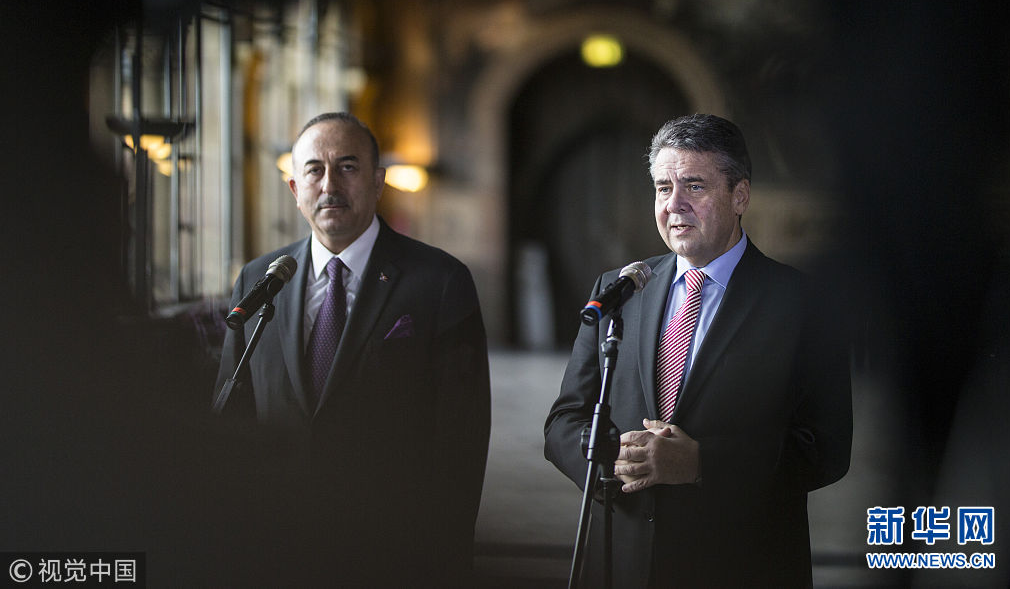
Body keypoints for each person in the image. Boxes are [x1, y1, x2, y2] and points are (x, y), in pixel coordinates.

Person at [544, 114, 852, 588]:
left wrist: (700, 464)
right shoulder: (619, 290)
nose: (675, 204)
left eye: (694, 186)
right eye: (663, 188)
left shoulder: (805, 305)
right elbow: (563, 422)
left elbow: (827, 449)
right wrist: (612, 462)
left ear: (740, 196)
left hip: (742, 565)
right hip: (622, 562)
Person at [214, 112, 490, 587]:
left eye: (347, 167)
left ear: (378, 181)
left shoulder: (440, 281)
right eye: (314, 170)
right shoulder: (260, 280)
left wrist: (445, 557)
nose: (330, 185)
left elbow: (461, 438)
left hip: (392, 547)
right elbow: (231, 415)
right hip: (278, 544)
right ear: (294, 188)